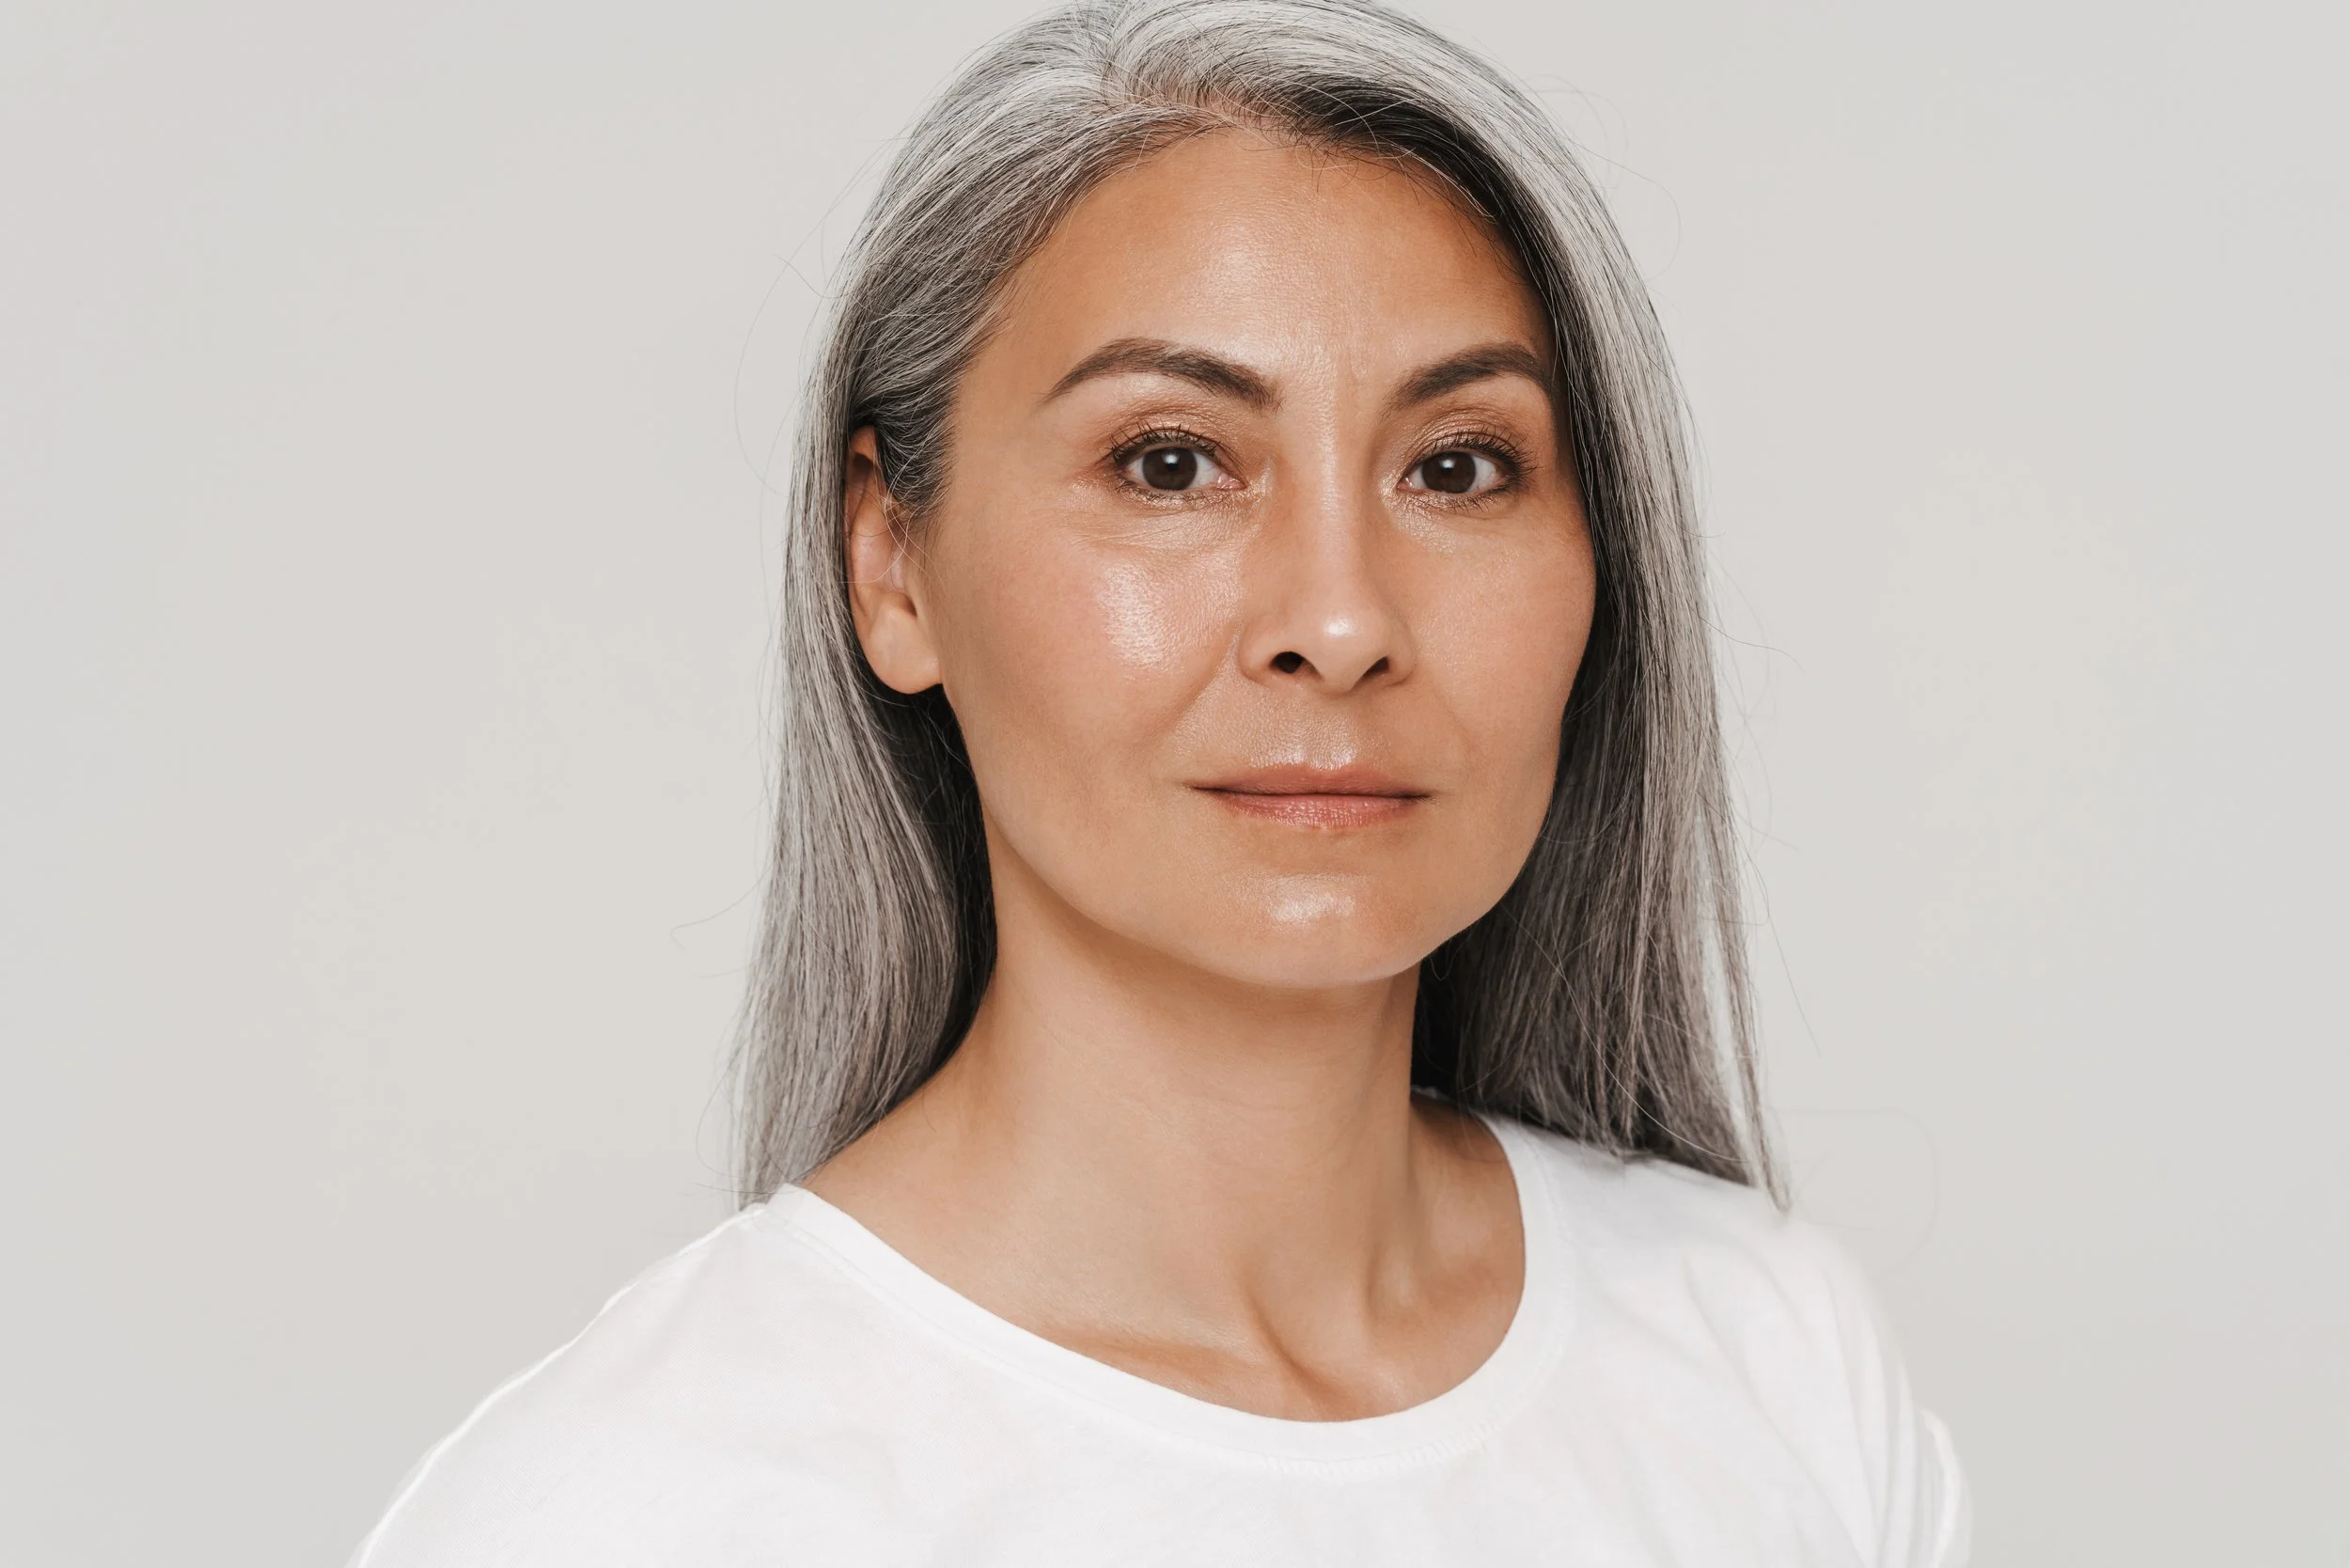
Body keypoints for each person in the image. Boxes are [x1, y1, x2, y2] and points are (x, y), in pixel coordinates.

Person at [348, 1, 1970, 1562]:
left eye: (1457, 467)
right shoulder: (635, 1511)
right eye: (1171, 463)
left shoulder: (1771, 1358)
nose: (1341, 621)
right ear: (891, 562)